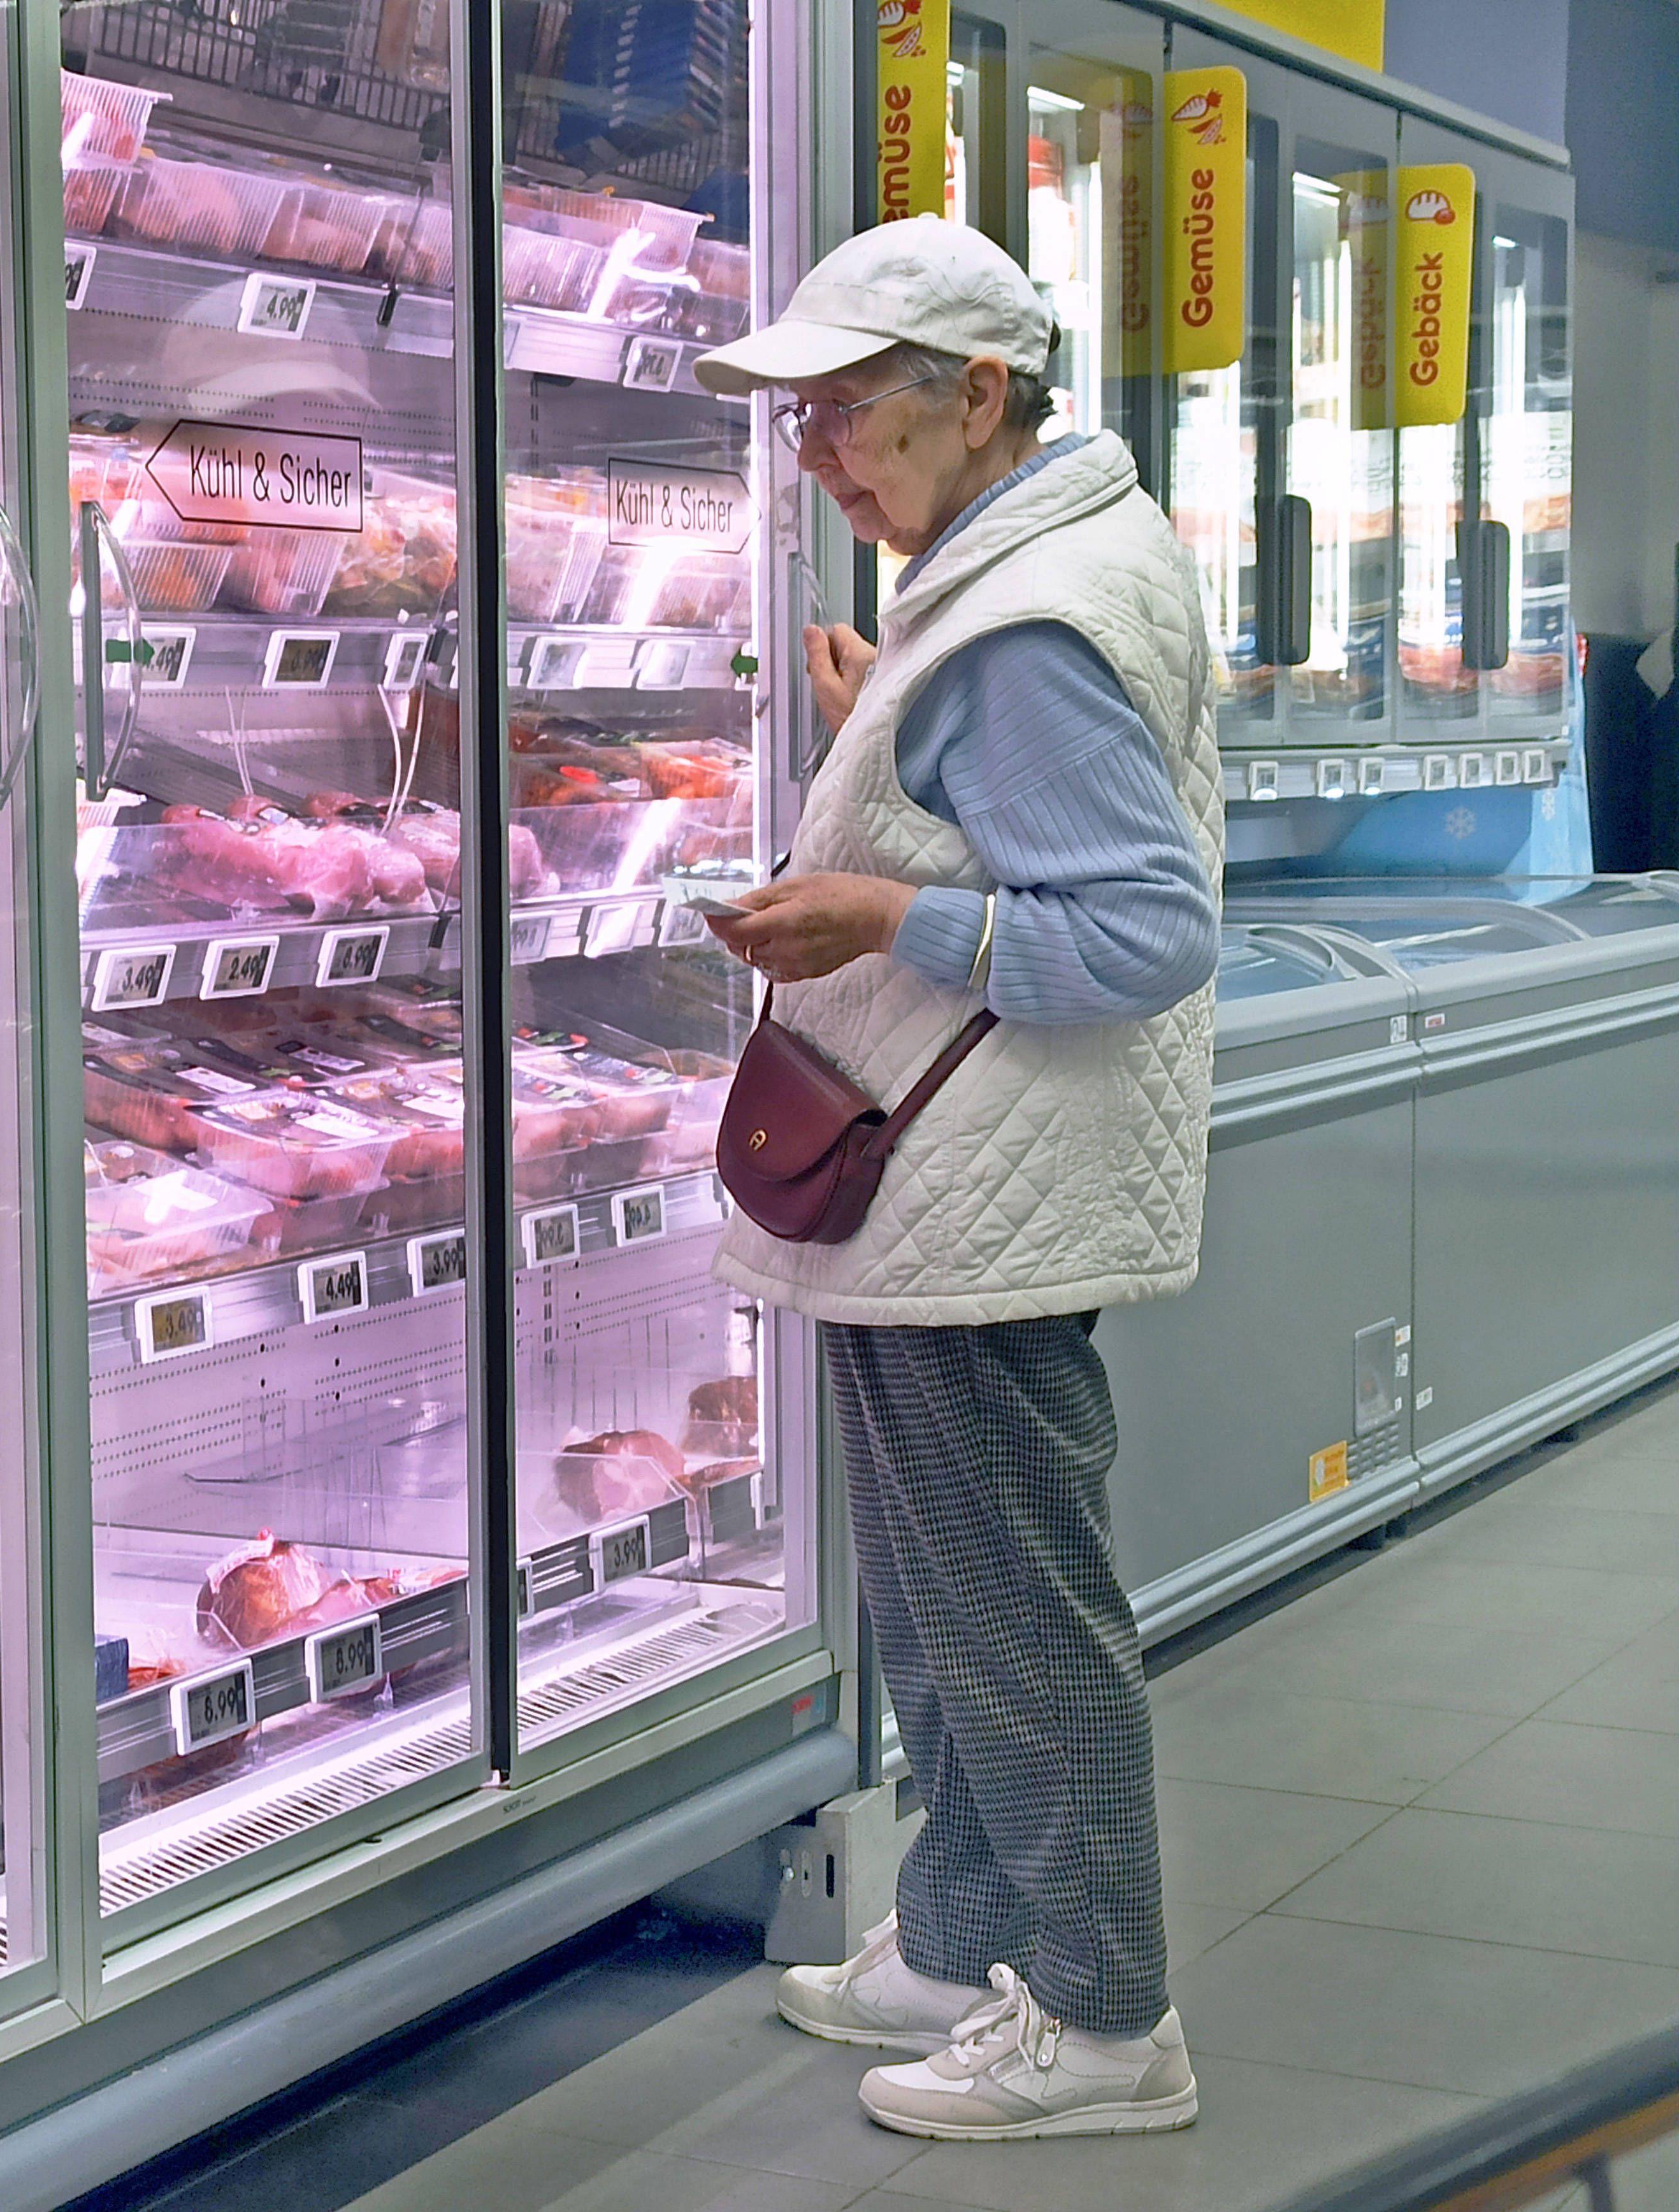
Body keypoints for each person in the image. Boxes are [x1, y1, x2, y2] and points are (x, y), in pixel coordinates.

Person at [687, 217, 1224, 2143]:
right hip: (955, 1178)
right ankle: (973, 1931)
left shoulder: (1018, 631)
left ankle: (1100, 2019)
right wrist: (890, 748)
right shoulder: (1016, 576)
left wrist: (872, 907)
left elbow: (1145, 934)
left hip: (984, 1182)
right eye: (801, 418)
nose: (818, 453)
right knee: (938, 1600)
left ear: (979, 397)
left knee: (1010, 1609)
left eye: (847, 412)